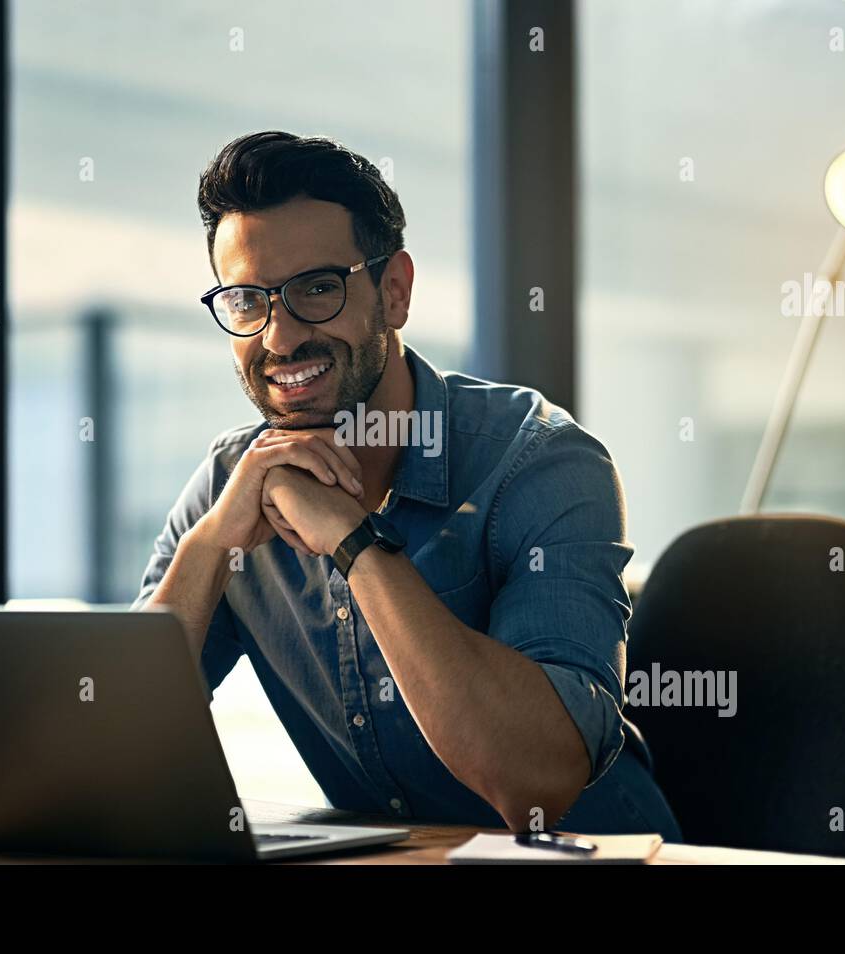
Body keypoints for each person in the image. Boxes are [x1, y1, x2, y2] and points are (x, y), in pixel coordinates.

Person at [134, 130, 680, 839]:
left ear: (394, 292)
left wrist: (355, 541)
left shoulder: (541, 464)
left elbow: (533, 784)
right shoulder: (231, 488)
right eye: (247, 301)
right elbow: (107, 751)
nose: (278, 337)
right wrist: (213, 542)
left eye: (317, 289)